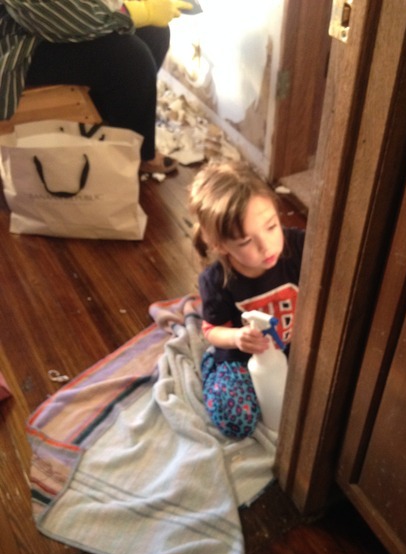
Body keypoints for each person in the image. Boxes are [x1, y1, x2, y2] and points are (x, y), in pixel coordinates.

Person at [0, 0, 191, 174]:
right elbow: (63, 17)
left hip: (57, 18)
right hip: (19, 38)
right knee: (131, 59)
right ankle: (133, 153)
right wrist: (132, 12)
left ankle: (108, 130)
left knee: (154, 33)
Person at [190, 160, 306, 439]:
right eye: (245, 242)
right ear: (220, 245)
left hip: (295, 348)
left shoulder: (300, 246)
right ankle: (211, 368)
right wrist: (236, 338)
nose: (266, 246)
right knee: (236, 422)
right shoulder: (216, 280)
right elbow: (211, 330)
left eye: (271, 226)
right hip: (244, 359)